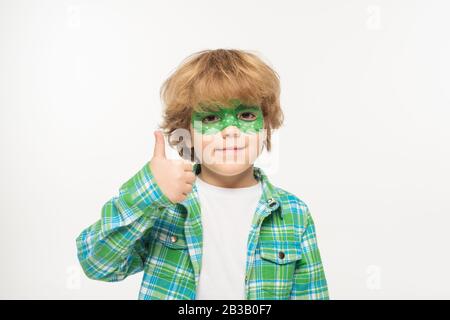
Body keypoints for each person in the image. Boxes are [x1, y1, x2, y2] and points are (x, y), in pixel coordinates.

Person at [76, 49, 329, 300]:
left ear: (266, 124)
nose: (230, 131)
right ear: (186, 132)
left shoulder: (294, 214)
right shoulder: (164, 205)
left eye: (246, 115)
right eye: (210, 117)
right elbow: (98, 265)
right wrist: (148, 193)